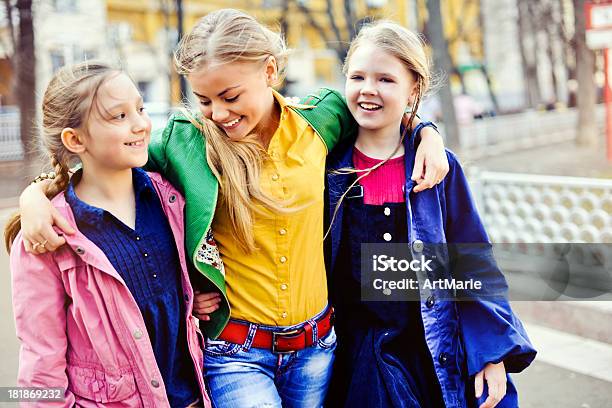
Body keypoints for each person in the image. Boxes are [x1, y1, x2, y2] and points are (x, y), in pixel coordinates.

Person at [17, 9, 449, 407]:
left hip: (317, 349)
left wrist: (427, 132)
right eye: (204, 100)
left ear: (269, 71)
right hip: (237, 354)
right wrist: (35, 195)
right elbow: (99, 158)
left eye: (229, 95)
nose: (217, 113)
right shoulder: (187, 142)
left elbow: (380, 109)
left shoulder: (322, 118)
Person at [324, 21, 536, 408]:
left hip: (431, 354)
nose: (368, 89)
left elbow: (472, 263)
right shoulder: (326, 169)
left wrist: (491, 353)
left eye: (386, 79)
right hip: (355, 365)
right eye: (357, 76)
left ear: (414, 90)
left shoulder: (437, 170)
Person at [5, 62, 209, 407]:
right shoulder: (47, 238)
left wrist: (186, 299)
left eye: (140, 109)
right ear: (75, 139)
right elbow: (41, 366)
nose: (141, 124)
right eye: (119, 116)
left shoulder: (168, 197)